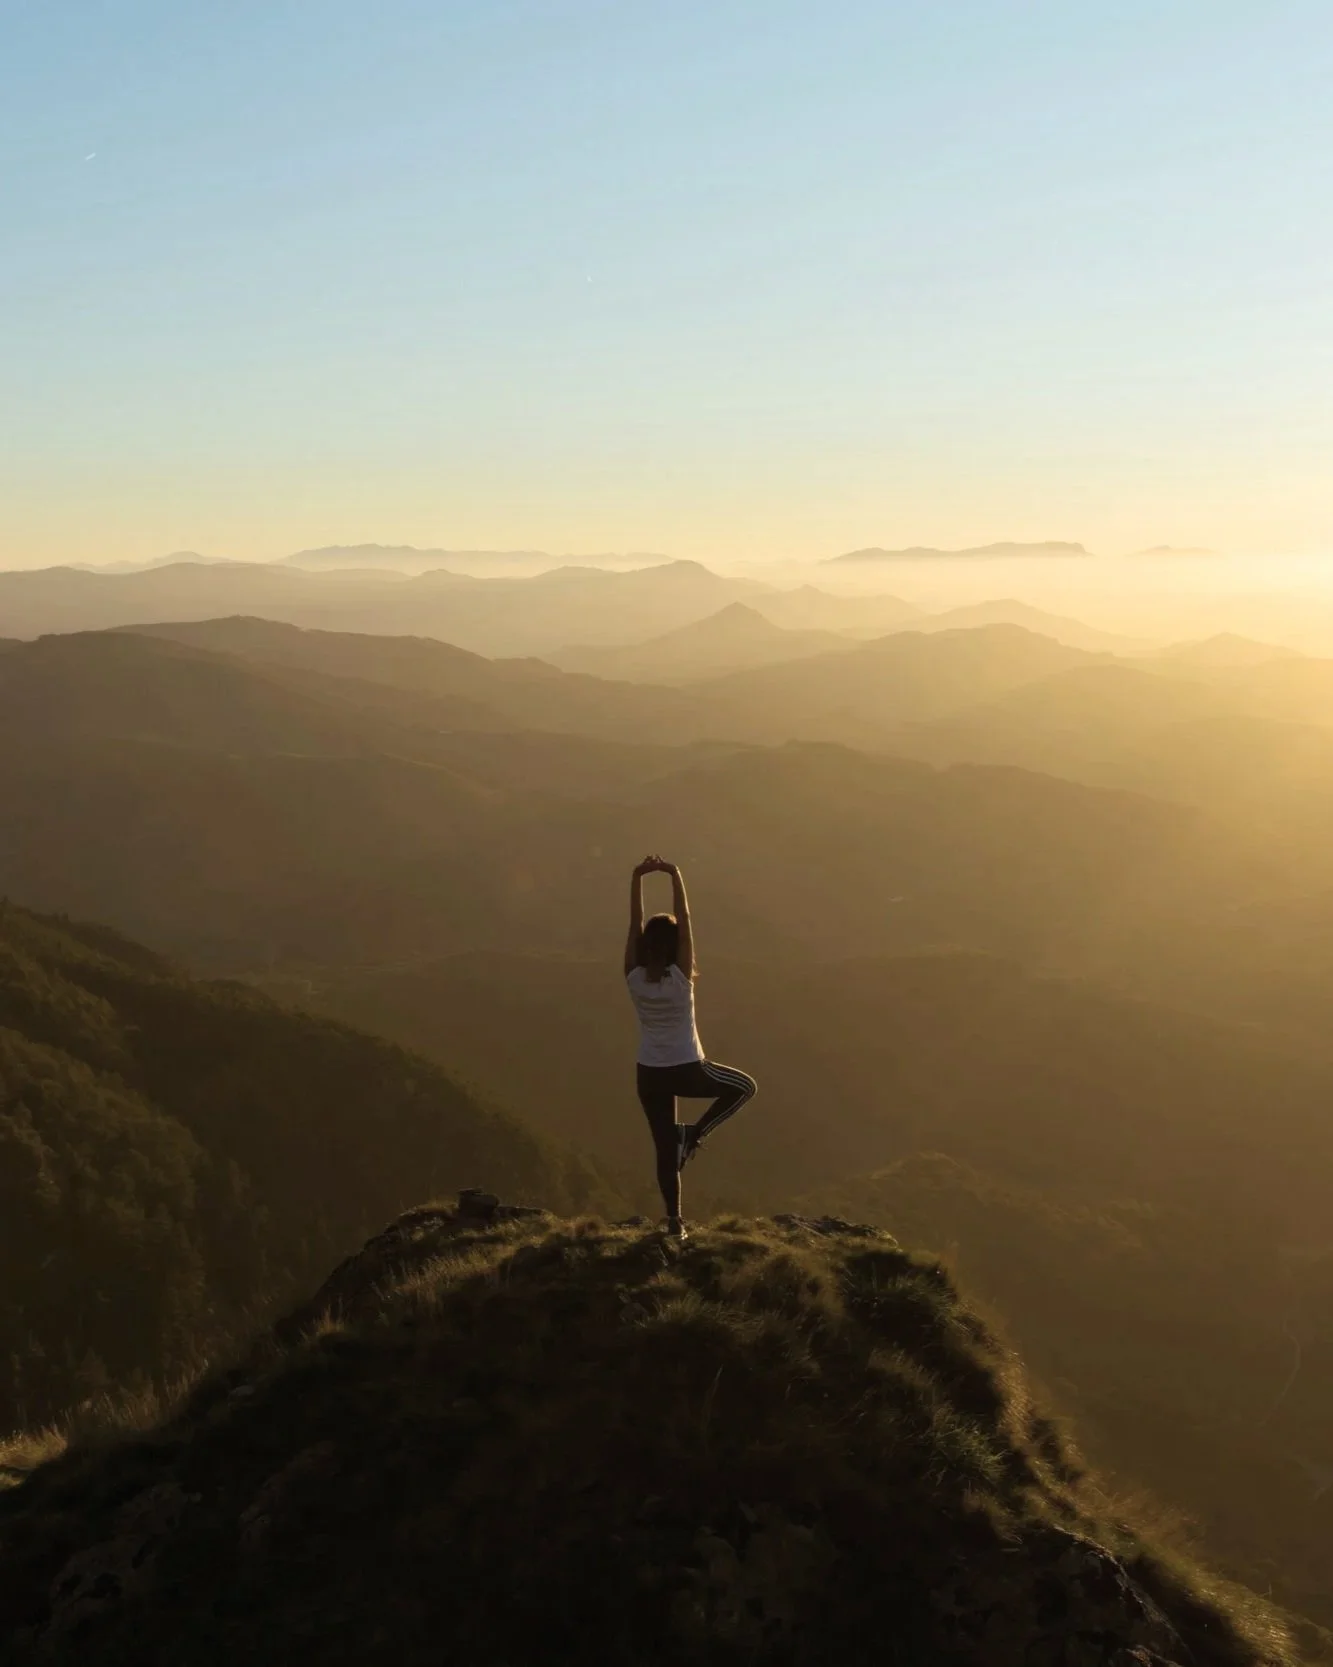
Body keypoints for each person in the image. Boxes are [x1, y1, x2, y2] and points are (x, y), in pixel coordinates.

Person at [624, 855, 757, 1240]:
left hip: (648, 1074)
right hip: (687, 1067)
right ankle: (695, 1135)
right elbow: (686, 923)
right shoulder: (681, 978)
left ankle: (674, 1223)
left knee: (664, 1150)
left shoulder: (633, 976)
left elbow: (634, 925)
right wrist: (674, 874)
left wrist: (637, 878)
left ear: (645, 944)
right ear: (674, 945)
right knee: (745, 1088)